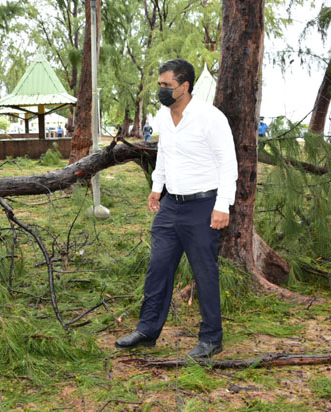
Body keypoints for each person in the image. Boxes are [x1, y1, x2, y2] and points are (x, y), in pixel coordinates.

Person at [114, 59, 238, 358]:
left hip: (204, 206)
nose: (161, 90)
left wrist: (223, 206)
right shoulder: (163, 116)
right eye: (160, 85)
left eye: (167, 86)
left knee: (204, 272)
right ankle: (147, 330)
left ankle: (211, 338)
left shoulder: (210, 118)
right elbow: (165, 157)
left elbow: (228, 164)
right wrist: (157, 188)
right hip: (171, 206)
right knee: (158, 269)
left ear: (184, 86)